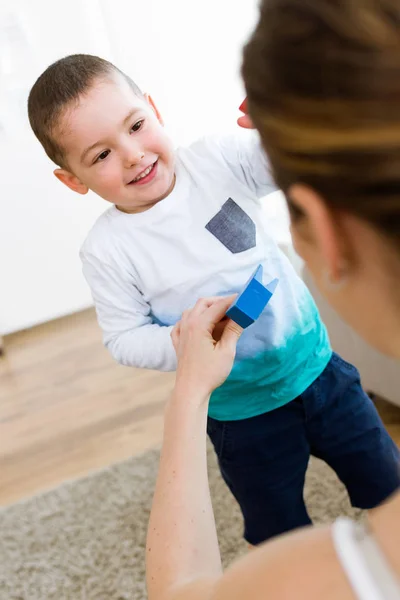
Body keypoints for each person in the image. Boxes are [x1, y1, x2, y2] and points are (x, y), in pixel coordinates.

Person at [28, 53, 399, 549]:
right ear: (73, 180)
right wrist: (185, 342)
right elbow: (123, 338)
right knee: (277, 532)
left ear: (153, 109)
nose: (134, 154)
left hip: (318, 370)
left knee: (387, 482)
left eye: (137, 126)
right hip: (241, 415)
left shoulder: (217, 161)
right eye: (101, 156)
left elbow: (285, 165)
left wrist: (282, 127)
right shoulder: (108, 251)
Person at [145, 0, 400, 599]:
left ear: (323, 234)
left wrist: (189, 392)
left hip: (305, 375)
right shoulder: (111, 251)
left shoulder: (348, 575)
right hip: (248, 416)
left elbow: (181, 589)